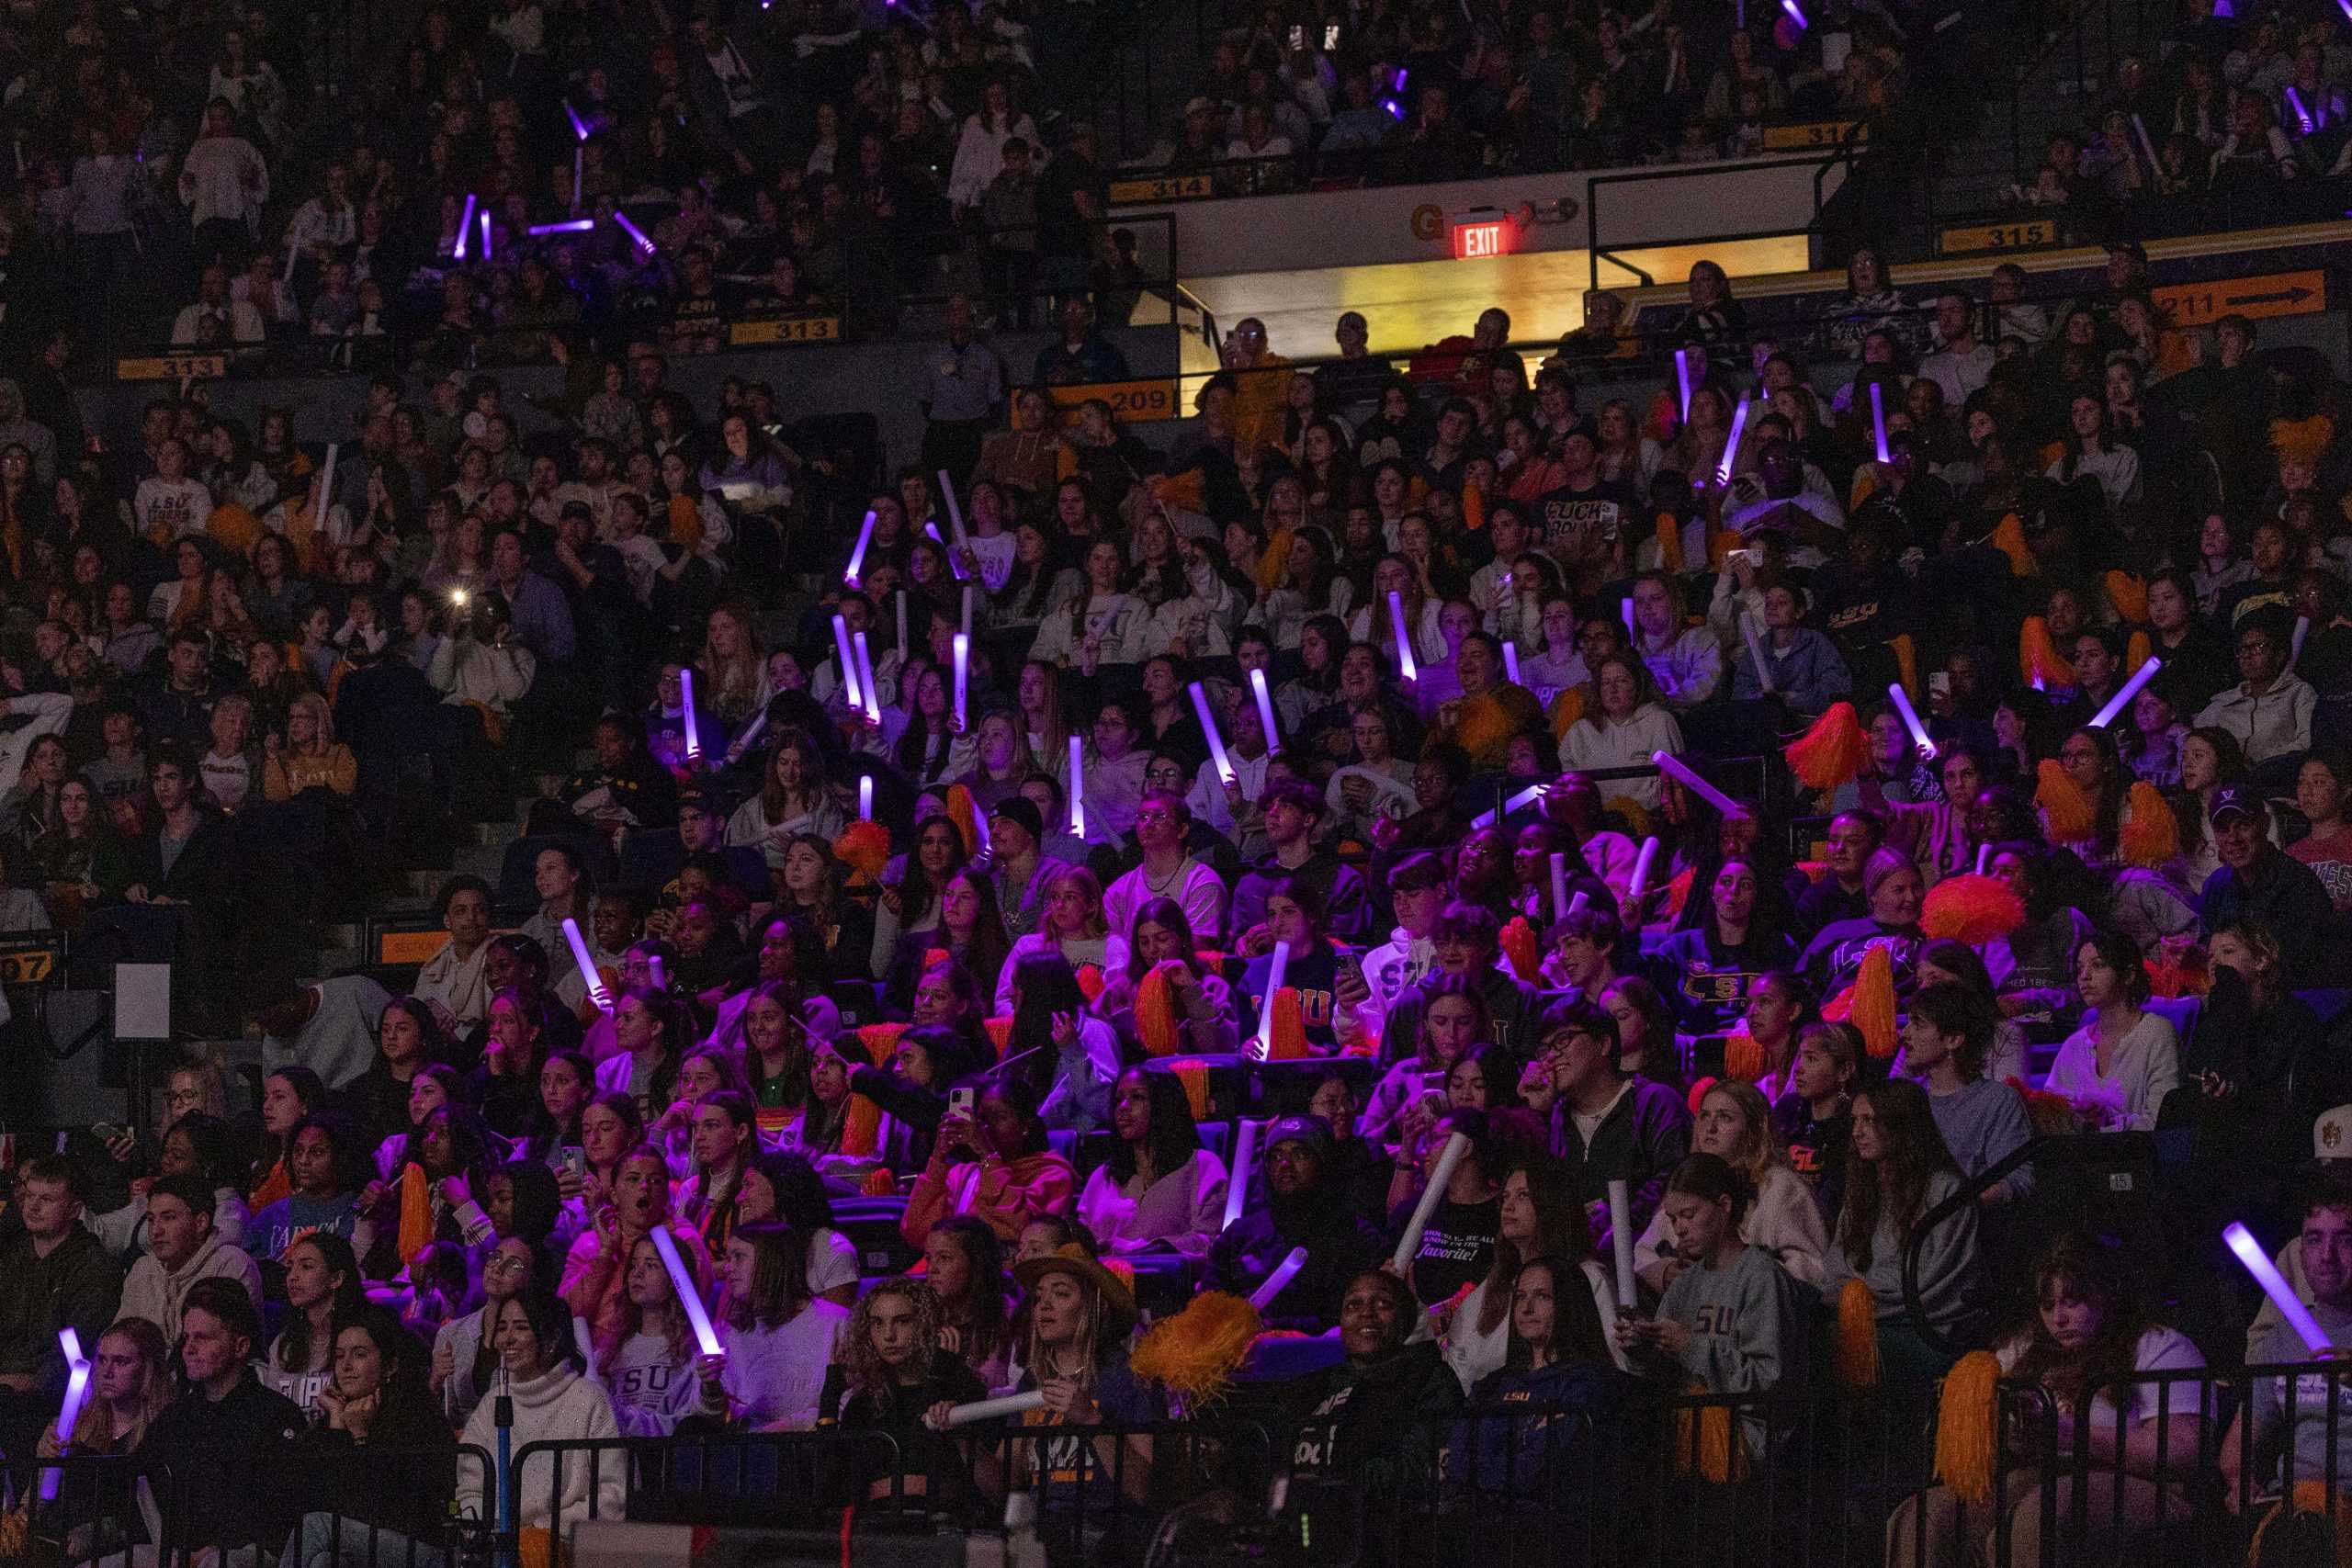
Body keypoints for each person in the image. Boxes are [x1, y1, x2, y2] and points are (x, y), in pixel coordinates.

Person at [1888, 1232, 2204, 1568]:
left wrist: (2074, 1434)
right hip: (2040, 1475)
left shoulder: (2158, 1347)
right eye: (2048, 1305)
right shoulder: (2025, 1349)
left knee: (2039, 1517)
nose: (2059, 1318)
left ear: (2107, 1295)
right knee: (1925, 1516)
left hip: (2139, 1482)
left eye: (2073, 1301)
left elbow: (2181, 1450)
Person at [1823, 1078, 1983, 1379]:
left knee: (1821, 1347)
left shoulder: (1946, 1190)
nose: (1857, 1132)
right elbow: (1835, 1266)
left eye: (1870, 1120)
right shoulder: (1862, 1187)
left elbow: (1934, 1285)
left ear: (1902, 1124)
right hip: (1862, 1319)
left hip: (1922, 1331)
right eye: (1855, 1121)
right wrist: (1852, 1302)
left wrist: (1861, 1299)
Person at [281, 1303, 459, 1568]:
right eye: (339, 1356)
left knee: (316, 1528)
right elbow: (317, 1499)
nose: (346, 1366)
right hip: (360, 1547)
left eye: (359, 1355)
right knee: (324, 1562)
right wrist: (338, 1425)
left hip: (423, 1548)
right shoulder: (334, 1420)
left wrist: (361, 1438)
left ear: (389, 1366)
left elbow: (390, 1510)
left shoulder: (419, 1420)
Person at [141, 1277, 304, 1562]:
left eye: (202, 1338)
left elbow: (282, 1507)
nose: (188, 1348)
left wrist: (222, 1545)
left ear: (241, 1347)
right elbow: (135, 1473)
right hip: (176, 1551)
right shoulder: (176, 1418)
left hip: (249, 1551)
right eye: (187, 1338)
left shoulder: (276, 1416)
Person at [457, 1286, 627, 1534]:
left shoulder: (590, 1401)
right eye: (502, 1327)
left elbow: (615, 1497)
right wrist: (493, 1533)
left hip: (563, 1549)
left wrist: (540, 1532)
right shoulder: (491, 1403)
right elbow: (469, 1491)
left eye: (521, 1327)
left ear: (551, 1339)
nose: (507, 1338)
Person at [1633, 1080, 1827, 1293]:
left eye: (1725, 1117)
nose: (1710, 1127)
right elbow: (1642, 1253)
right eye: (1704, 1115)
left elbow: (1812, 1270)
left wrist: (1737, 1278)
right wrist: (1665, 1271)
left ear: (1754, 1130)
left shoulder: (1782, 1187)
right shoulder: (1688, 1184)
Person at [817, 1276, 989, 1503]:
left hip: (944, 1521)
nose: (888, 1335)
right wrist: (830, 1397)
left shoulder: (963, 1390)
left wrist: (938, 1378)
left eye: (903, 1321)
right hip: (877, 1525)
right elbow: (830, 1484)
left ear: (927, 1324)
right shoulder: (866, 1401)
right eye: (878, 1323)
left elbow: (919, 1449)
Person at [1538, 996, 1693, 1247]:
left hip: (1645, 1253)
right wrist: (1536, 1113)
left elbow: (1674, 1179)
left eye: (1563, 1040)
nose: (1551, 1056)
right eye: (1545, 1048)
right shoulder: (1554, 1116)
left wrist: (1613, 1218)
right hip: (1573, 1258)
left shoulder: (1653, 1102)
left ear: (1603, 1044)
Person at [1205, 1114, 1384, 1331]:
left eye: (1299, 1154)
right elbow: (1208, 1303)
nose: (1285, 1165)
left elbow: (1346, 1316)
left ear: (1322, 1161)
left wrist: (1273, 1328)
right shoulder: (1240, 1234)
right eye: (1276, 1156)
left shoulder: (1355, 1234)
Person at [0, 1154, 123, 1463]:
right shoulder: (12, 1260)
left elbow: (73, 1352)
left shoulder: (92, 1266)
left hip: (52, 1400)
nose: (33, 1206)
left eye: (47, 1199)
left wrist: (22, 1382)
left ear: (74, 1209)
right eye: (29, 1196)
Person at [699, 1221, 852, 1429]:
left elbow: (850, 1403)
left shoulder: (836, 1324)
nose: (728, 1268)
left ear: (771, 1262)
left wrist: (789, 1427)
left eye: (739, 1257)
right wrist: (710, 1389)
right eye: (727, 1259)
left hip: (813, 1451)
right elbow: (711, 1420)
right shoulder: (725, 1335)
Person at [901, 1080, 1076, 1249]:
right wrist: (938, 1158)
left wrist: (988, 1155)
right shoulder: (963, 1174)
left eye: (999, 1117)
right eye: (982, 1119)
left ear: (1025, 1126)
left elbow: (1017, 1231)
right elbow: (916, 1232)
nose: (985, 1128)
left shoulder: (1054, 1174)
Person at [1076, 1067, 1228, 1257]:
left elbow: (1207, 1243)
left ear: (1164, 1105)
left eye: (1137, 1097)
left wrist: (1133, 1250)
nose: (1123, 1107)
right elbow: (1081, 1243)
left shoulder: (1203, 1166)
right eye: (1118, 1100)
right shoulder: (1103, 1176)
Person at [2044, 931, 2182, 1133]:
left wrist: (2105, 1122)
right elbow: (2052, 1114)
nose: (2084, 976)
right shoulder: (2075, 1045)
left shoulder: (2157, 1034)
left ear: (2128, 975)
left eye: (2098, 965)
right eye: (2080, 968)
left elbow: (2163, 1123)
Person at [113, 1172, 263, 1341]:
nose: (155, 1230)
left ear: (200, 1223)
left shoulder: (231, 1265)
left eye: (168, 1218)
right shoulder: (142, 1269)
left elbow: (229, 1350)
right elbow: (119, 1342)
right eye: (151, 1219)